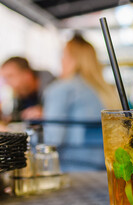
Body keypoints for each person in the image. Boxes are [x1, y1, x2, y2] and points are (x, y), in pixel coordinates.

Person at [43, 34, 120, 171]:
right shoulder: (109, 92)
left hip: (72, 171)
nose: (60, 60)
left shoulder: (61, 89)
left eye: (63, 55)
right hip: (110, 171)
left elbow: (53, 140)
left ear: (73, 60)